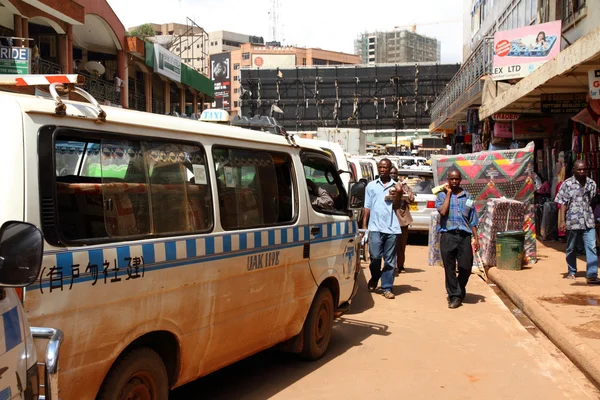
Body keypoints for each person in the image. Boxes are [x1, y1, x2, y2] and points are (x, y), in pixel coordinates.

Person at [436, 168, 479, 309]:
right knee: (449, 268)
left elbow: (473, 220)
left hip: (464, 236)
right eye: (451, 179)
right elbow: (442, 211)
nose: (454, 181)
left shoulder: (468, 197)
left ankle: (459, 289)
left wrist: (476, 238)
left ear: (461, 179)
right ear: (447, 180)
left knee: (466, 267)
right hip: (448, 235)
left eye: (456, 179)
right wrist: (448, 193)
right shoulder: (441, 195)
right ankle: (454, 296)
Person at [361, 159, 402, 299]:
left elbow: (396, 207)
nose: (382, 169)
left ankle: (386, 287)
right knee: (375, 257)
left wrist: (399, 193)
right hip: (375, 227)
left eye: (385, 167)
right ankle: (375, 276)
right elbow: (367, 206)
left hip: (392, 228)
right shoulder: (371, 186)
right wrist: (364, 225)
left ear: (390, 169)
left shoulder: (396, 186)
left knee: (390, 261)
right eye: (380, 167)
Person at [555, 159, 600, 284]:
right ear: (574, 170)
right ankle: (572, 270)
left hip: (588, 220)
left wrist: (592, 213)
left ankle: (592, 274)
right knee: (571, 247)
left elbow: (594, 200)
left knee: (591, 247)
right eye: (579, 169)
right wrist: (562, 221)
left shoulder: (592, 184)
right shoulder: (567, 184)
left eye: (584, 169)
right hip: (573, 220)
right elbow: (563, 203)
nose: (582, 171)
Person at [391, 169, 415, 275]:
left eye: (395, 173)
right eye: (391, 173)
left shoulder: (404, 186)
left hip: (402, 220)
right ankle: (390, 266)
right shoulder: (385, 185)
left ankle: (400, 265)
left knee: (401, 245)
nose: (393, 175)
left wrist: (403, 192)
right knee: (390, 245)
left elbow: (411, 199)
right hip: (389, 219)